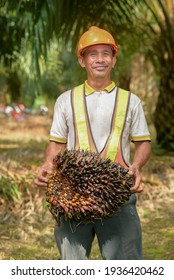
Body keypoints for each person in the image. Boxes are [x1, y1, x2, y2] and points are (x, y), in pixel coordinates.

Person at [35, 26, 151, 260]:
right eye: (93, 54)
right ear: (82, 60)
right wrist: (48, 163)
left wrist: (136, 166)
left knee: (126, 267)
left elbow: (143, 143)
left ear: (114, 59)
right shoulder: (65, 100)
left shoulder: (132, 101)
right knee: (73, 267)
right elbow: (56, 143)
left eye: (106, 53)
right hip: (72, 194)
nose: (100, 59)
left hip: (118, 193)